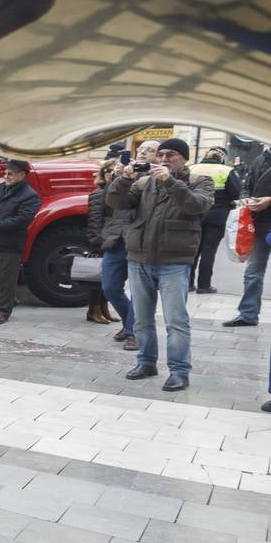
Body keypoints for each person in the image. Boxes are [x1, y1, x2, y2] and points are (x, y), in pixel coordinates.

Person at [107, 138, 214, 391]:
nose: (164, 159)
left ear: (184, 159)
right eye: (162, 154)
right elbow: (115, 203)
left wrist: (170, 181)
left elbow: (196, 206)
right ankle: (146, 362)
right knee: (142, 320)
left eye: (172, 155)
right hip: (139, 257)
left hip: (174, 260)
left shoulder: (200, 181)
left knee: (176, 321)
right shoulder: (145, 182)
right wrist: (124, 179)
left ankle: (179, 371)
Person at [0, 160, 41, 324]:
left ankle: (3, 311)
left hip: (11, 243)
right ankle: (9, 300)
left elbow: (22, 220)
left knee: (7, 279)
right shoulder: (2, 188)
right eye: (5, 173)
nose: (6, 176)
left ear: (21, 175)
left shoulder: (30, 196)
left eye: (10, 174)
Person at [224, 144, 271, 327]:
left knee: (253, 272)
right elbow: (246, 185)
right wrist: (245, 198)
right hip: (259, 224)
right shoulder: (259, 159)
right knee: (253, 272)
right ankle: (248, 314)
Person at [97, 158, 139, 351]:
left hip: (140, 241)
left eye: (149, 151)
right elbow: (107, 201)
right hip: (116, 239)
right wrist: (118, 177)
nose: (144, 155)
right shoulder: (124, 175)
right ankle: (129, 323)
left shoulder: (157, 176)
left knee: (140, 292)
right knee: (110, 288)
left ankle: (135, 332)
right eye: (141, 151)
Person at [189, 147, 240, 293]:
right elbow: (235, 193)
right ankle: (204, 286)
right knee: (208, 251)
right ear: (222, 158)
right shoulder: (226, 170)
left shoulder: (192, 168)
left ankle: (187, 283)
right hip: (217, 214)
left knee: (193, 250)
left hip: (194, 213)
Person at [84, 161, 119, 325]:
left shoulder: (117, 191)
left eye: (115, 171)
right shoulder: (99, 193)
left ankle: (104, 308)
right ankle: (93, 310)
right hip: (101, 240)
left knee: (106, 278)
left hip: (112, 240)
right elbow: (94, 221)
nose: (112, 174)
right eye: (109, 171)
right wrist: (97, 244)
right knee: (96, 279)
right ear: (103, 173)